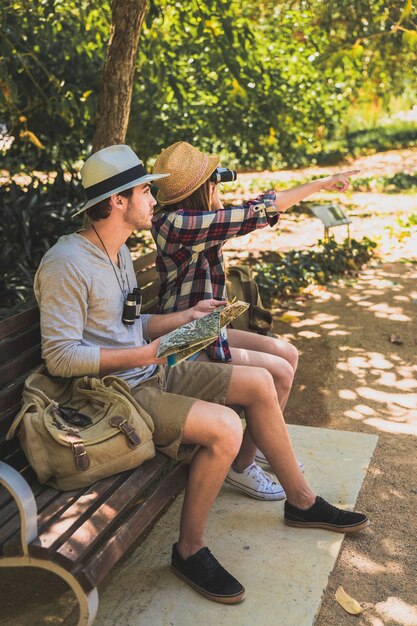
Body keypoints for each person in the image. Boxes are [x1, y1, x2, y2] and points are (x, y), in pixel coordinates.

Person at [34, 144, 369, 606]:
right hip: (114, 393)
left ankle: (302, 502)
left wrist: (186, 316)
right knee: (227, 426)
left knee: (260, 382)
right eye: (146, 191)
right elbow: (61, 358)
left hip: (148, 368)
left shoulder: (118, 254)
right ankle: (189, 550)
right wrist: (147, 354)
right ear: (117, 202)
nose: (155, 198)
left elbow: (132, 326)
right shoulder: (66, 263)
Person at [151, 141, 359, 500]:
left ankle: (261, 438)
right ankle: (241, 466)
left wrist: (323, 182)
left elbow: (251, 209)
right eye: (211, 182)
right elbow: (254, 215)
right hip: (183, 342)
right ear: (201, 189)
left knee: (287, 354)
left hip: (205, 330)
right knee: (275, 374)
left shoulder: (191, 219)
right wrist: (323, 184)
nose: (217, 186)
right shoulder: (177, 224)